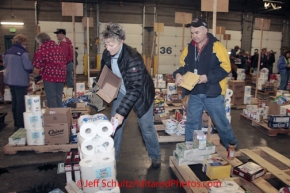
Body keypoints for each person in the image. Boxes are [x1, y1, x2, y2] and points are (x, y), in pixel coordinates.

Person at [98, 23, 161, 168]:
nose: (108, 48)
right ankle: (113, 159)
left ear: (122, 40)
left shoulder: (133, 57)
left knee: (146, 126)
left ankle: (155, 156)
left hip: (141, 94)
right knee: (114, 126)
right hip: (121, 92)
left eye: (111, 44)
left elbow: (135, 88)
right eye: (106, 44)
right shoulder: (107, 54)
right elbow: (104, 73)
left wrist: (121, 112)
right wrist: (100, 90)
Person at [173, 18, 238, 149]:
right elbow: (184, 66)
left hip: (212, 93)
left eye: (197, 32)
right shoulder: (189, 48)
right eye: (192, 33)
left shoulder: (217, 47)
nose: (194, 36)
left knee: (221, 123)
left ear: (205, 31)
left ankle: (232, 147)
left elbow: (226, 68)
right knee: (192, 123)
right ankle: (190, 148)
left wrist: (208, 77)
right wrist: (178, 74)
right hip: (195, 92)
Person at [2, 34, 34, 130]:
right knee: (21, 103)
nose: (26, 45)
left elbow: (5, 65)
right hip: (20, 81)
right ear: (22, 43)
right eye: (25, 44)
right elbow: (28, 68)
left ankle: (16, 122)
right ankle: (21, 124)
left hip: (10, 80)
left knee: (15, 102)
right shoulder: (23, 53)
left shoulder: (7, 52)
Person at [33, 32, 67, 107]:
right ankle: (60, 114)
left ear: (39, 41)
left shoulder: (42, 49)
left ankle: (54, 116)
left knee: (51, 96)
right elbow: (65, 60)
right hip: (61, 75)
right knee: (59, 96)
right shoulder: (58, 47)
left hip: (49, 76)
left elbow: (37, 64)